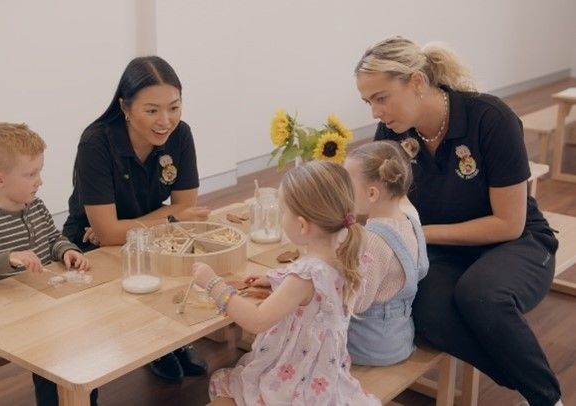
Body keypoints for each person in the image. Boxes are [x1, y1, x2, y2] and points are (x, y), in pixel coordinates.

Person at [354, 35, 562, 406]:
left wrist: (419, 233)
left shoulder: (491, 119)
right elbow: (378, 198)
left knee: (481, 296)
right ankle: (518, 373)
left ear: (417, 82)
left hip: (516, 242)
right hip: (444, 249)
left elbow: (508, 224)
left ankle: (546, 398)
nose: (374, 112)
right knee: (427, 313)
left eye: (381, 98)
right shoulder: (392, 132)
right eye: (368, 102)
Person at [61, 56, 210, 385]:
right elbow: (109, 232)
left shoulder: (181, 135)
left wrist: (132, 228)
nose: (166, 120)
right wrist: (168, 217)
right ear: (125, 107)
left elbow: (186, 210)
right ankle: (157, 346)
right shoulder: (96, 142)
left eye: (174, 107)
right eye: (152, 110)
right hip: (88, 245)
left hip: (145, 234)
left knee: (179, 260)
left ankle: (175, 340)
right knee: (135, 282)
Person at [192, 161, 379, 405]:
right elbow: (313, 297)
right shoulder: (348, 256)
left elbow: (256, 320)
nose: (282, 218)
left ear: (302, 225)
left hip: (293, 385)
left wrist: (213, 284)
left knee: (227, 384)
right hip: (326, 378)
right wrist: (274, 280)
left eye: (283, 212)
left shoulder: (305, 276)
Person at [0, 122, 94, 405]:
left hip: (46, 306)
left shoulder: (37, 208)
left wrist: (66, 250)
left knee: (82, 350)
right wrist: (7, 259)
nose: (39, 180)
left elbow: (53, 239)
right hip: (12, 319)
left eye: (39, 171)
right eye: (31, 174)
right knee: (52, 365)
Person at [343, 139, 428, 366]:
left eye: (347, 186)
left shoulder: (373, 240)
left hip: (367, 347)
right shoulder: (411, 222)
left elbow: (357, 303)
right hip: (398, 339)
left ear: (372, 193)